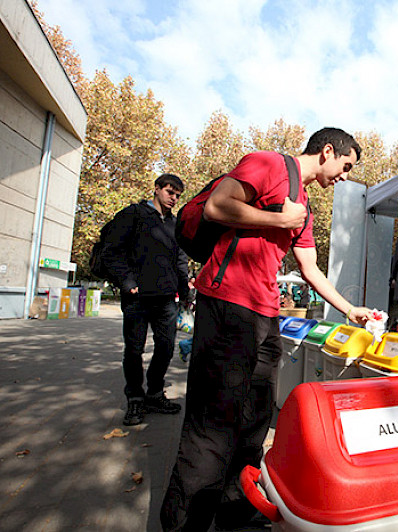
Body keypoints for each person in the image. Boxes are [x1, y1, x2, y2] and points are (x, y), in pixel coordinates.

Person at [160, 127, 373, 532]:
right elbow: (217, 207)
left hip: (264, 316)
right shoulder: (269, 164)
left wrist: (350, 309)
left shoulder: (305, 206)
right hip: (226, 305)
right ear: (327, 151)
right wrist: (279, 217)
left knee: (255, 419)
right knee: (212, 425)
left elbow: (310, 269)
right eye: (345, 166)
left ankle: (235, 511)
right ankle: (184, 522)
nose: (344, 176)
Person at [102, 173, 190, 426]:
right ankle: (135, 400)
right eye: (170, 192)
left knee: (166, 347)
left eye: (177, 195)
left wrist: (184, 290)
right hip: (137, 299)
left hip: (166, 300)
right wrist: (128, 282)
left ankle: (154, 393)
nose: (173, 198)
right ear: (157, 189)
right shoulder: (133, 214)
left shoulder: (175, 225)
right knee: (134, 350)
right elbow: (112, 252)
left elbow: (180, 260)